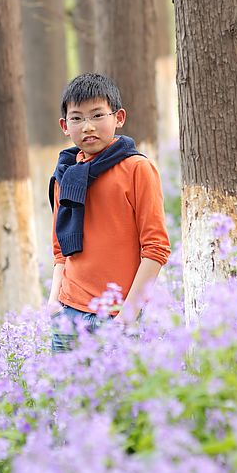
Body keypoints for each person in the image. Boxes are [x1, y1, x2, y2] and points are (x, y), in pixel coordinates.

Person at [47, 73, 171, 351]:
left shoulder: (137, 169)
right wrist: (54, 302)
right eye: (77, 118)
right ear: (65, 126)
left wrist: (126, 319)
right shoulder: (65, 174)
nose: (87, 126)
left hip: (118, 319)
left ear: (119, 117)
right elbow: (60, 250)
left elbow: (156, 249)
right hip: (68, 316)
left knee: (122, 396)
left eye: (97, 115)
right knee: (65, 396)